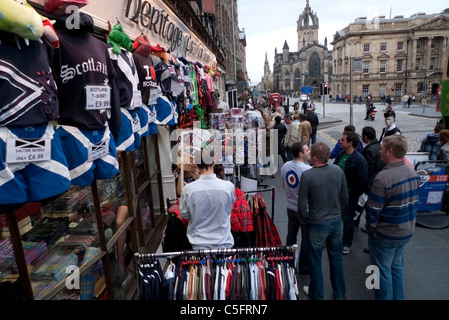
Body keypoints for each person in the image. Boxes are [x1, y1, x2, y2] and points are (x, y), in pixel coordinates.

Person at [365, 135, 420, 300]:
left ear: (390, 151)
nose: (379, 150)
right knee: (396, 267)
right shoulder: (412, 171)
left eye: (382, 148)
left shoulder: (382, 178)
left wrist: (372, 230)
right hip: (406, 231)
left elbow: (373, 211)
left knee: (380, 271)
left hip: (385, 234)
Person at [298, 142, 348, 300]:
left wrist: (305, 221)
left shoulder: (307, 176)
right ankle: (340, 294)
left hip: (317, 223)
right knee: (336, 259)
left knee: (315, 260)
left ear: (314, 157)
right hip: (336, 221)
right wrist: (341, 215)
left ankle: (317, 294)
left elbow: (301, 205)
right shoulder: (338, 171)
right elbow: (344, 197)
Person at [179, 148, 236, 250]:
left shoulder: (188, 189)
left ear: (196, 165)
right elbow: (230, 206)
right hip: (224, 241)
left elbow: (184, 214)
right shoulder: (228, 187)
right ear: (213, 163)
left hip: (199, 243)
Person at [334, 132, 368, 255]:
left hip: (349, 196)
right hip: (337, 194)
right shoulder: (340, 155)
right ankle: (334, 240)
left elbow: (362, 180)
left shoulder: (359, 160)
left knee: (348, 220)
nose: (340, 142)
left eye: (343, 140)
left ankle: (346, 243)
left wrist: (352, 194)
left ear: (350, 143)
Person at [281, 142, 312, 273]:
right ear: (301, 153)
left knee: (291, 235)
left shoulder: (286, 165)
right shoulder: (308, 170)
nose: (309, 151)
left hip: (290, 207)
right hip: (304, 209)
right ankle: (304, 267)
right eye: (307, 150)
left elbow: (283, 185)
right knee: (305, 238)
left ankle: (288, 261)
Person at [355, 126, 381, 229]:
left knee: (362, 203)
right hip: (374, 180)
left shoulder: (369, 150)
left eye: (362, 135)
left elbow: (368, 168)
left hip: (369, 183)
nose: (361, 137)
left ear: (366, 136)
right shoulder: (378, 146)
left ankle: (356, 219)